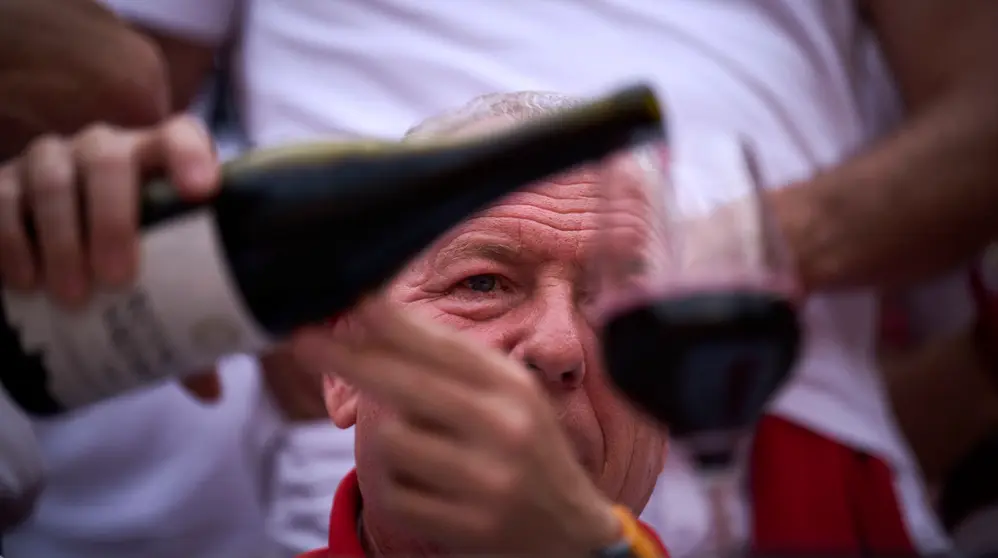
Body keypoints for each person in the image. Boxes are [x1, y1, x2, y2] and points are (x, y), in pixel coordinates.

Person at [11, 0, 998, 553]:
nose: (562, 345)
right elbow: (96, 78)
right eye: (483, 285)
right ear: (336, 369)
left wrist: (709, 264)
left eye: (612, 307)